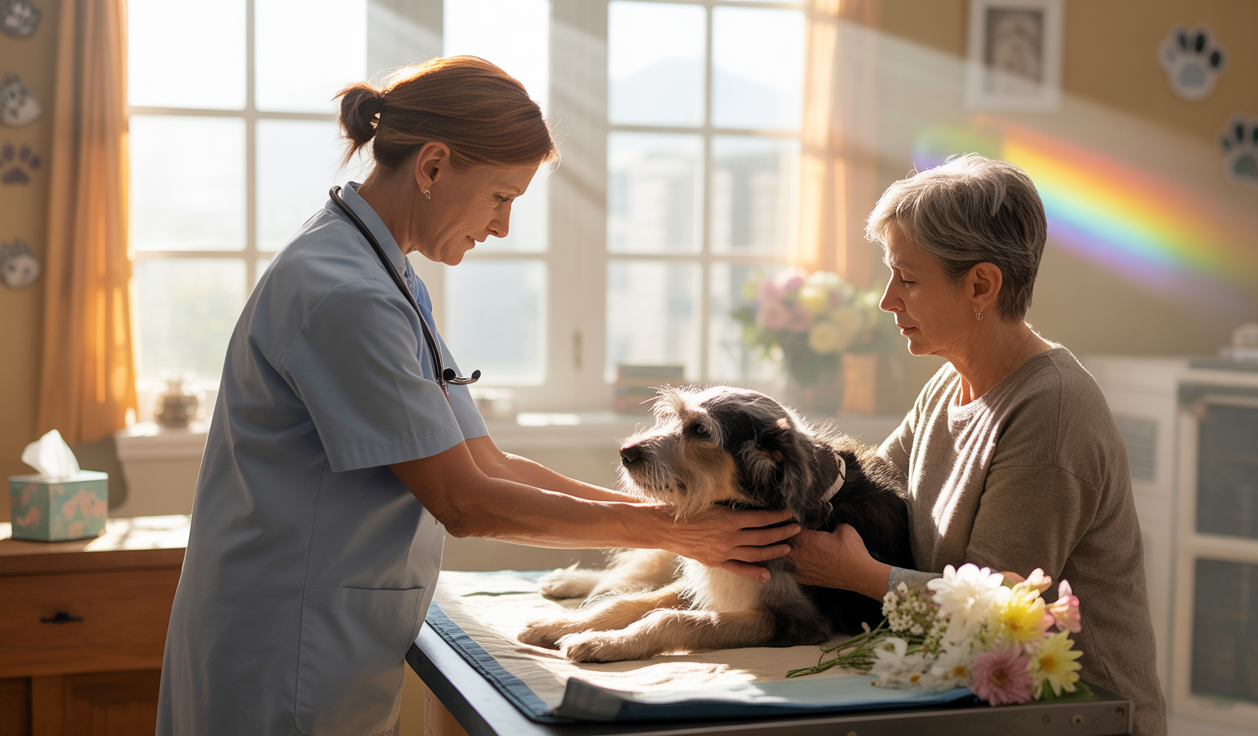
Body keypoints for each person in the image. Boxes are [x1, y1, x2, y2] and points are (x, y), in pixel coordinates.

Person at [155, 56, 797, 736]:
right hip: (285, 648)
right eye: (502, 197)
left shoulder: (387, 278)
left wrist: (682, 522)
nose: (502, 228)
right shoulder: (346, 295)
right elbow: (464, 501)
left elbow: (488, 464)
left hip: (323, 635)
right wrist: (672, 532)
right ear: (432, 166)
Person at [787, 154, 1166, 735]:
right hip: (976, 695)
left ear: (981, 286)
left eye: (908, 279)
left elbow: (995, 615)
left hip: (1078, 714)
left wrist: (860, 575)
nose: (888, 300)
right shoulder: (949, 383)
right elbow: (866, 487)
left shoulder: (1053, 412)